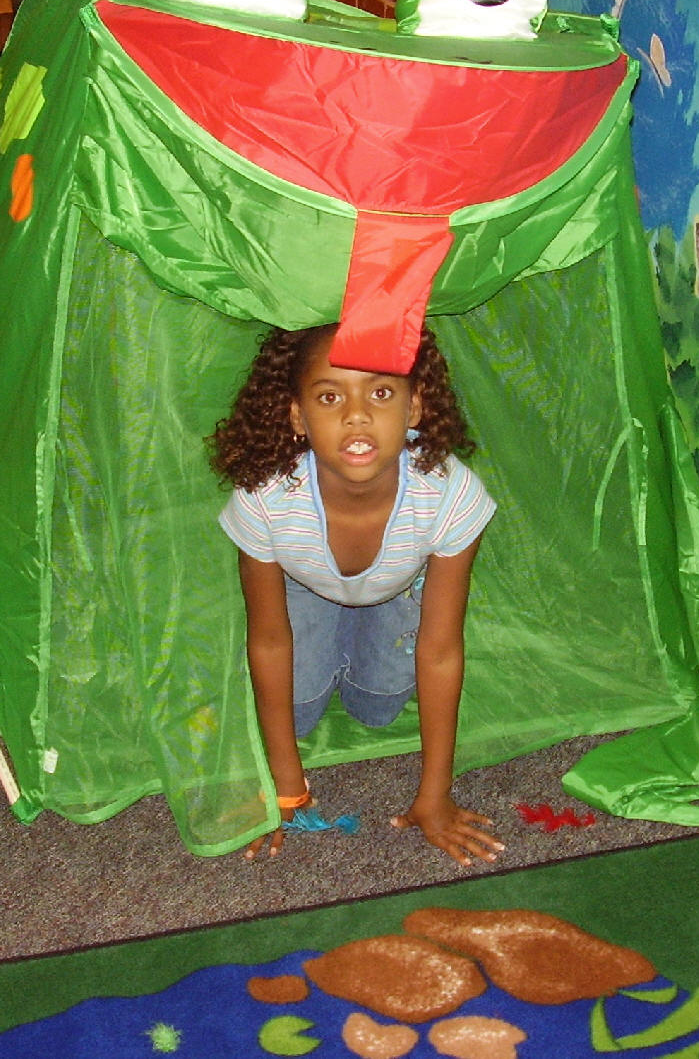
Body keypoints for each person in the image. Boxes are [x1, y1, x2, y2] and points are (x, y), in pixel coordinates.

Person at [210, 323, 503, 866]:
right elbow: (269, 640)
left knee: (377, 707)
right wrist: (287, 787)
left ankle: (371, 610)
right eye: (329, 397)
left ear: (415, 407)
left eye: (381, 392)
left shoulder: (450, 493)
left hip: (396, 585)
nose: (357, 414)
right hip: (305, 583)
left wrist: (435, 795)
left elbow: (440, 649)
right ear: (297, 417)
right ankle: (333, 614)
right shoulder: (266, 495)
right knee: (296, 714)